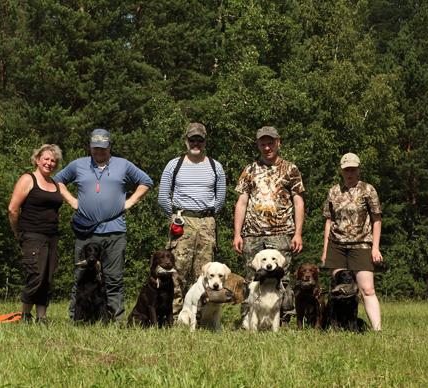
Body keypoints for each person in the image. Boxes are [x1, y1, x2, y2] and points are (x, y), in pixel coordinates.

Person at [54, 128, 153, 323]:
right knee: (80, 277)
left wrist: (130, 202)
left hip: (115, 231)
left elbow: (146, 181)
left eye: (103, 148)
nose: (99, 152)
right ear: (90, 147)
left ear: (109, 147)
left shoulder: (123, 165)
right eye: (95, 148)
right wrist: (72, 201)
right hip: (86, 231)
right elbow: (57, 181)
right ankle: (77, 319)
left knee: (114, 278)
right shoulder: (79, 165)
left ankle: (114, 320)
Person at [233, 126, 305, 324]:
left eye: (270, 143)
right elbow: (241, 202)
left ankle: (284, 319)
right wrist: (237, 234)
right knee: (251, 279)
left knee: (283, 279)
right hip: (252, 235)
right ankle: (248, 320)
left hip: (282, 233)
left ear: (278, 143)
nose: (267, 147)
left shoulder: (291, 169)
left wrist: (298, 233)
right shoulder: (249, 170)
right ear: (258, 145)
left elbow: (298, 201)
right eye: (262, 143)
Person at [157, 122, 227, 317]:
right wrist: (175, 216)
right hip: (181, 221)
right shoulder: (174, 165)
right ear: (185, 141)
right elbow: (163, 197)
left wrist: (207, 217)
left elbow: (220, 199)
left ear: (205, 142)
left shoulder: (216, 166)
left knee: (206, 271)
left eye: (200, 140)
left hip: (206, 221)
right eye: (192, 139)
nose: (196, 143)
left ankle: (203, 315)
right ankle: (173, 314)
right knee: (176, 269)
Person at [8, 144, 78, 323]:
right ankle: (25, 314)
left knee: (47, 276)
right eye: (46, 159)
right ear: (37, 160)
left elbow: (74, 203)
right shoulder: (28, 179)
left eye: (53, 161)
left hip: (51, 236)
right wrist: (18, 232)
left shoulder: (56, 184)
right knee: (36, 274)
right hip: (31, 234)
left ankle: (42, 317)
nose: (49, 163)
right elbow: (13, 209)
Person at [321, 152, 383, 331]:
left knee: (367, 289)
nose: (349, 173)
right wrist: (325, 250)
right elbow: (329, 220)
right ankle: (338, 328)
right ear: (341, 171)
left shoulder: (368, 190)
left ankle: (377, 330)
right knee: (339, 292)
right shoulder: (333, 191)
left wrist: (375, 247)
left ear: (358, 170)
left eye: (353, 169)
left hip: (362, 245)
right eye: (346, 170)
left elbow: (376, 219)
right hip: (336, 245)